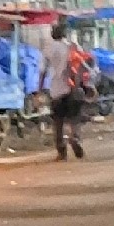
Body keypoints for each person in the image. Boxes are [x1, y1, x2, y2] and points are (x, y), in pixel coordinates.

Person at [38, 22, 89, 160]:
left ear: (53, 34)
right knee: (75, 119)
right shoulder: (73, 46)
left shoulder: (48, 49)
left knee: (58, 122)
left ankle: (61, 151)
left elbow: (42, 71)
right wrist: (86, 84)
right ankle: (75, 138)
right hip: (74, 88)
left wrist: (39, 90)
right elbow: (85, 66)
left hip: (56, 90)